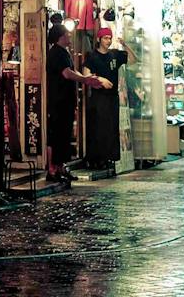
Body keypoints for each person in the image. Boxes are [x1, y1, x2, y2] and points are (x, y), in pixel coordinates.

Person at [45, 24, 105, 182]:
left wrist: (88, 80)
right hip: (58, 102)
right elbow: (67, 73)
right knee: (57, 135)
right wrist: (86, 79)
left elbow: (73, 71)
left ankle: (60, 167)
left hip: (64, 101)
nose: (70, 37)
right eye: (68, 34)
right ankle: (53, 170)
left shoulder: (63, 53)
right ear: (60, 37)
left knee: (63, 135)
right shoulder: (56, 53)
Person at [82, 29, 127, 168]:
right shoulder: (92, 56)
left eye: (110, 38)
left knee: (111, 128)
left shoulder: (114, 54)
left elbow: (133, 59)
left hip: (112, 97)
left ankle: (109, 158)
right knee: (98, 128)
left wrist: (126, 46)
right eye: (105, 38)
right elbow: (86, 75)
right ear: (99, 39)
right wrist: (100, 79)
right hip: (98, 97)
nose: (108, 41)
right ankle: (97, 159)